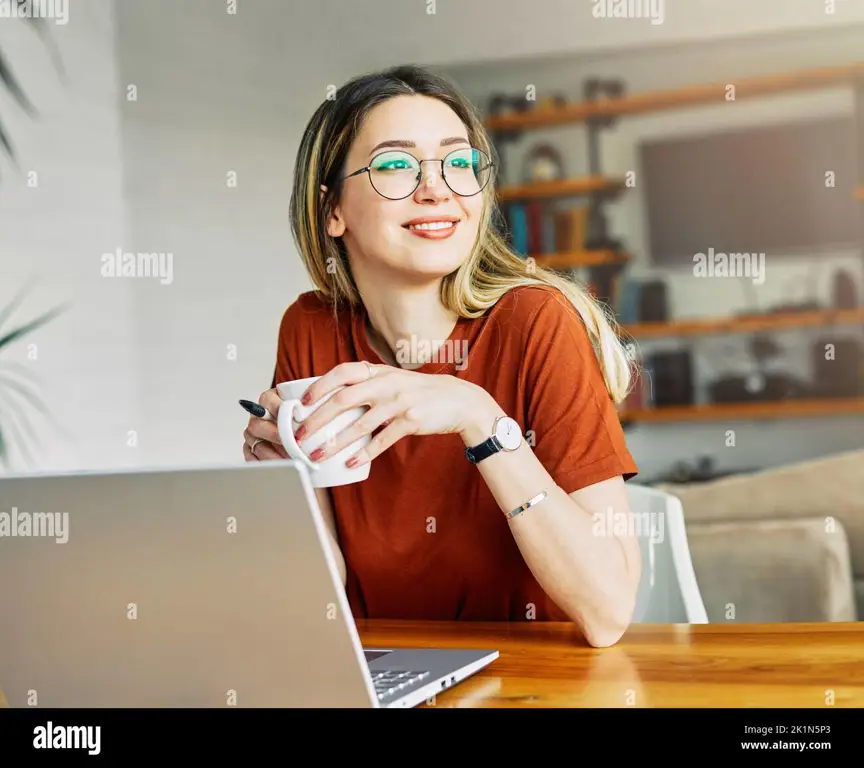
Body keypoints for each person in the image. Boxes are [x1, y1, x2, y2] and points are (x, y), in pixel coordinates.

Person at [243, 64, 641, 647]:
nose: (439, 189)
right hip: (385, 678)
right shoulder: (311, 329)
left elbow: (608, 613)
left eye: (459, 163)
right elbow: (322, 604)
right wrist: (286, 489)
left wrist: (479, 418)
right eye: (396, 166)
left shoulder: (537, 324)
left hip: (534, 682)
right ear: (333, 209)